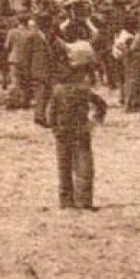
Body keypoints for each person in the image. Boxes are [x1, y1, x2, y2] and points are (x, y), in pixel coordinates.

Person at [48, 61, 108, 210]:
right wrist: (94, 122)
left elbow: (50, 113)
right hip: (80, 131)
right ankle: (84, 200)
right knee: (84, 167)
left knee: (65, 167)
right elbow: (101, 104)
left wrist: (54, 128)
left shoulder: (58, 91)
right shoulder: (83, 91)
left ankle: (66, 200)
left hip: (64, 132)